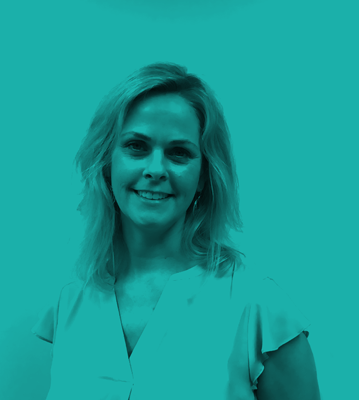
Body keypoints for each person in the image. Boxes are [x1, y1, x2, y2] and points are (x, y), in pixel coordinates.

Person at [31, 62, 321, 399]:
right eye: (136, 146)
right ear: (107, 162)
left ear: (204, 176)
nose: (155, 169)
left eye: (179, 153)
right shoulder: (71, 300)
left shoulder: (258, 307)